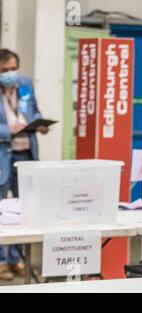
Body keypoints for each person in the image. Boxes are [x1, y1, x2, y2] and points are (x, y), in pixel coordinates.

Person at [0, 49, 49, 281]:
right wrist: (6, 130)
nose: (10, 74)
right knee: (1, 210)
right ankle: (1, 260)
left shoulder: (25, 84)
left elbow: (34, 110)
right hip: (3, 156)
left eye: (13, 68)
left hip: (26, 155)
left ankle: (17, 258)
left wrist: (40, 123)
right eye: (5, 70)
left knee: (24, 210)